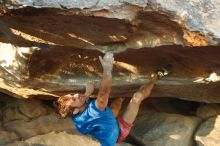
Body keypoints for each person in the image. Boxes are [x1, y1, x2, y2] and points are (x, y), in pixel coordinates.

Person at [55, 52, 171, 146]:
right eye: (74, 99)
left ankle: (121, 98)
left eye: (72, 95)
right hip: (119, 132)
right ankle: (157, 76)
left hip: (106, 127)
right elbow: (103, 94)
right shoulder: (94, 110)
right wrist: (107, 70)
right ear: (75, 111)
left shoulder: (76, 116)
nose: (76, 95)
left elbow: (81, 105)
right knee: (137, 97)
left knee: (114, 106)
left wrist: (87, 93)